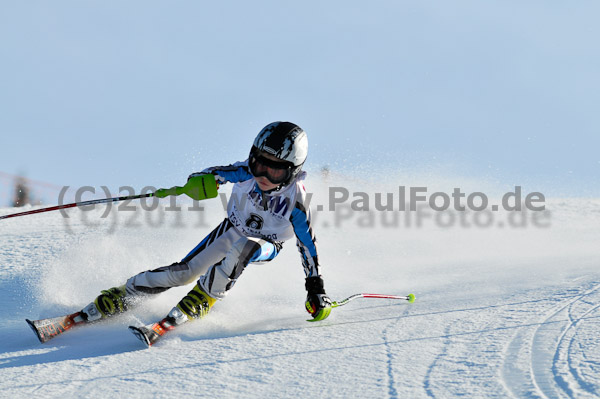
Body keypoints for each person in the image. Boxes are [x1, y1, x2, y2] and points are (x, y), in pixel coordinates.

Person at [73, 121, 332, 344]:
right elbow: (213, 174)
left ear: (292, 171)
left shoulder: (295, 201)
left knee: (245, 248)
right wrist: (199, 182)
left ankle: (203, 297)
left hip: (267, 243)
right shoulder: (245, 172)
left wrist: (314, 286)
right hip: (231, 228)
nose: (263, 174)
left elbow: (307, 244)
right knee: (184, 272)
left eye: (275, 170)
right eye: (259, 163)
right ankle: (121, 296)